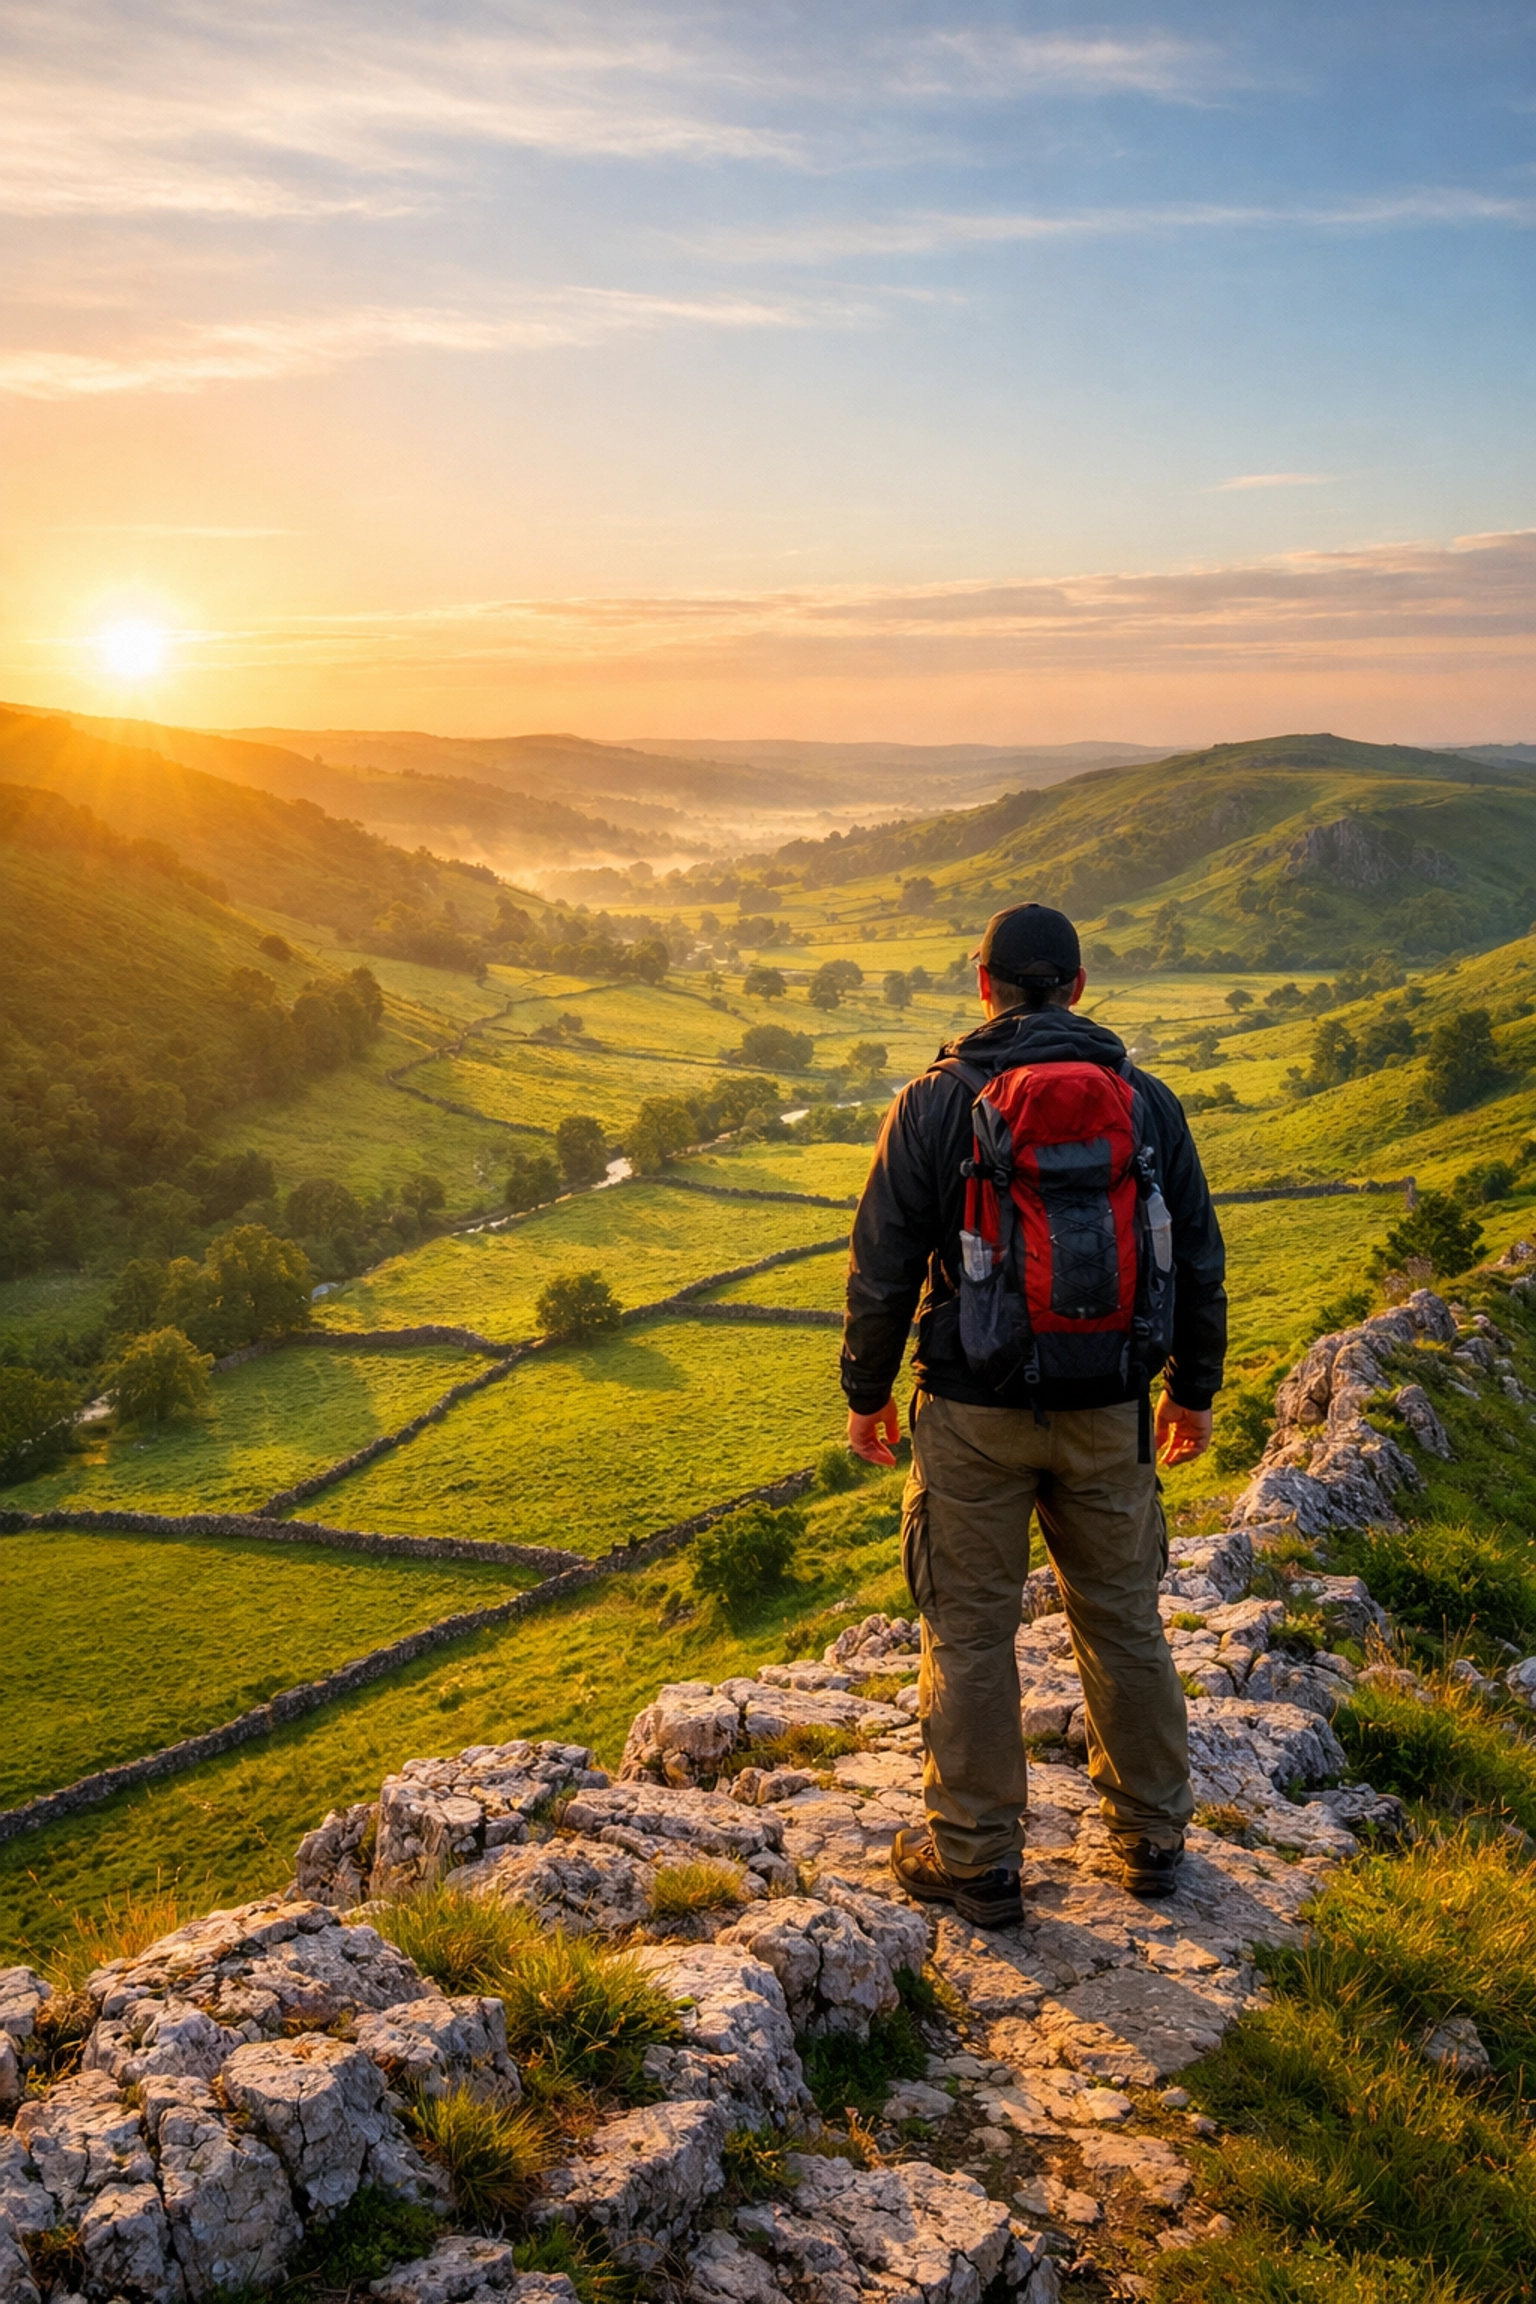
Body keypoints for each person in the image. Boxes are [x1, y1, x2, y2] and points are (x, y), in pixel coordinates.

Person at [841, 902, 1226, 1922]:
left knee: (968, 1631)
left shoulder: (932, 1103)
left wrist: (866, 1396)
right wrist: (1193, 1388)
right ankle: (1150, 1837)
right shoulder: (1145, 1102)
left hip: (973, 1409)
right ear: (1080, 986)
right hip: (1110, 1406)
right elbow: (1195, 1252)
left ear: (984, 986)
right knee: (1123, 1619)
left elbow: (882, 1268)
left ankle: (976, 1859)